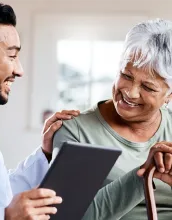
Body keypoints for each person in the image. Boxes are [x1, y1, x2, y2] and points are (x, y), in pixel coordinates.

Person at [0, 1, 80, 220]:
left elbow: (0, 196)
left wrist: (45, 154)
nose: (19, 71)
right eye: (12, 56)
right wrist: (5, 217)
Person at [51, 19, 172, 220]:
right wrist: (143, 174)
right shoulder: (76, 131)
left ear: (169, 95)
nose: (131, 93)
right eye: (126, 75)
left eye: (148, 87)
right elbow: (67, 216)